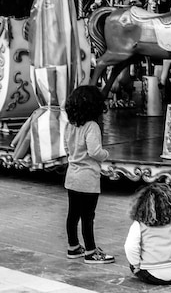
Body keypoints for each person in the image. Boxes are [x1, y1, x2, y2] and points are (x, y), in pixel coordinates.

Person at [64, 85, 114, 264]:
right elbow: (95, 151)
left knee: (73, 214)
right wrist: (106, 155)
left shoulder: (70, 125)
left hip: (72, 176)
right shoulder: (92, 126)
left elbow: (66, 148)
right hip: (88, 177)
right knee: (88, 216)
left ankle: (73, 247)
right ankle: (91, 251)